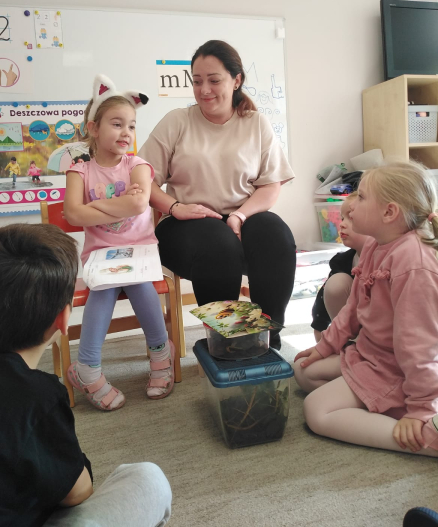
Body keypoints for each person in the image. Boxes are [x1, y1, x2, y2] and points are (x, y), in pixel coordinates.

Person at [0, 223, 172, 527]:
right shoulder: (39, 396)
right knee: (148, 479)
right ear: (63, 319)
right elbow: (77, 492)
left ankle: (151, 352)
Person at [138, 40, 296, 349]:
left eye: (214, 80)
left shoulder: (255, 123)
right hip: (185, 224)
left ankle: (267, 340)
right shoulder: (177, 121)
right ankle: (229, 342)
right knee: (218, 244)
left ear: (236, 80)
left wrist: (239, 216)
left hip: (241, 217)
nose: (204, 89)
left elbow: (270, 184)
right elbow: (143, 179)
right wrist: (175, 207)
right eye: (197, 81)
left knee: (276, 236)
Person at [294, 161, 438, 456]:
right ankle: (383, 405)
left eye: (360, 197)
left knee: (316, 410)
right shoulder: (375, 245)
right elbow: (353, 307)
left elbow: (419, 344)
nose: (351, 204)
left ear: (389, 213)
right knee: (303, 369)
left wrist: (420, 408)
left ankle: (426, 439)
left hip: (398, 369)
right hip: (372, 356)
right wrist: (325, 346)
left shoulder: (413, 263)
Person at [64, 74, 175, 410]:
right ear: (94, 128)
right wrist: (117, 203)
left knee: (139, 283)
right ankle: (87, 368)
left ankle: (161, 355)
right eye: (117, 124)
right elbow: (72, 213)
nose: (127, 132)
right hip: (101, 254)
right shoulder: (79, 170)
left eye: (131, 126)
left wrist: (95, 207)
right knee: (104, 287)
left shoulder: (137, 164)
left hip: (139, 250)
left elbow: (139, 204)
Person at [311, 192, 369, 342]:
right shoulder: (342, 262)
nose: (342, 224)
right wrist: (320, 326)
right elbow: (324, 298)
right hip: (353, 329)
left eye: (351, 218)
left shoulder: (388, 260)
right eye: (342, 218)